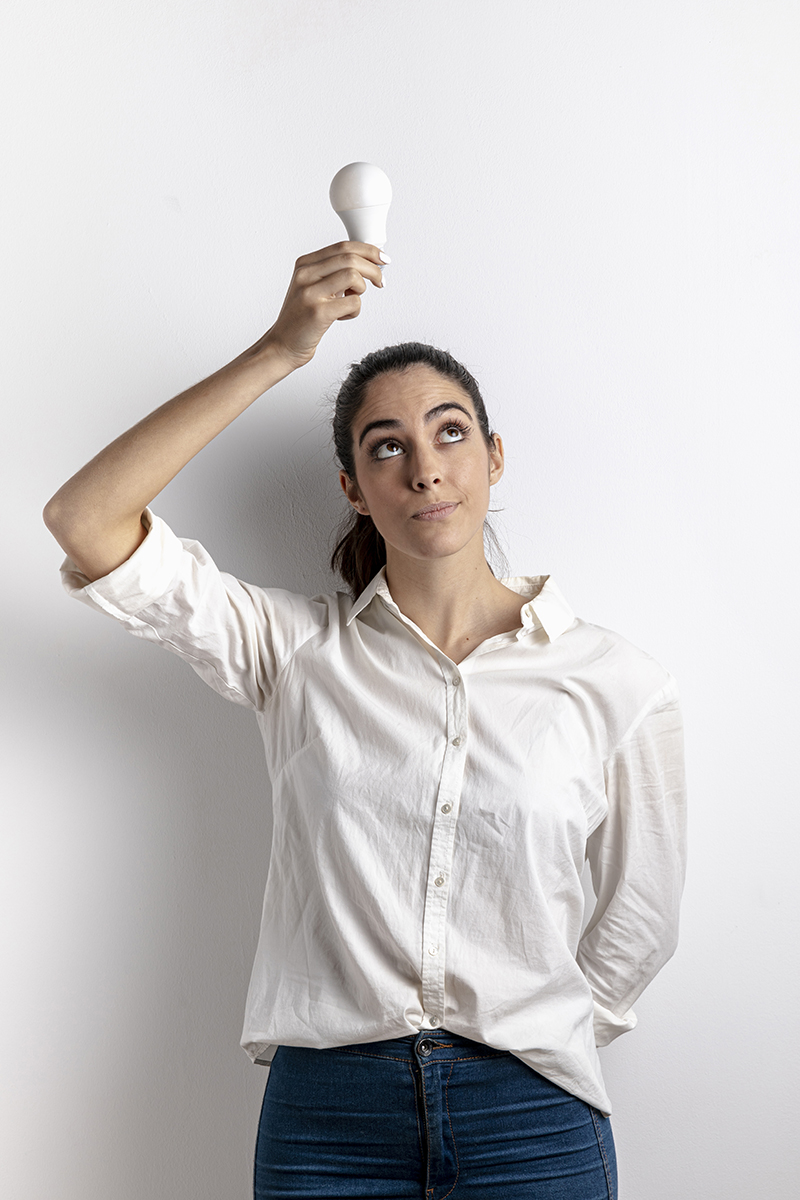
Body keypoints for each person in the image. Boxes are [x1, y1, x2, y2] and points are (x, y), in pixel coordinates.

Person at [44, 241, 687, 1199]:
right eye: (388, 445)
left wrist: (535, 1033)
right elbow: (87, 519)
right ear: (353, 486)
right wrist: (279, 350)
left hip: (532, 1113)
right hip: (327, 1118)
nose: (426, 468)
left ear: (495, 456)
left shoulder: (613, 679)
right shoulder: (295, 650)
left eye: (451, 432)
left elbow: (640, 917)